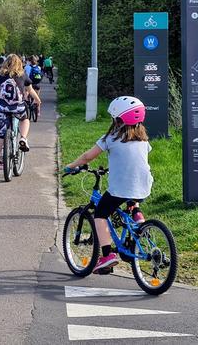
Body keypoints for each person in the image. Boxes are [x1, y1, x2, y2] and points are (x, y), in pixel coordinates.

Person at [64, 96, 151, 273]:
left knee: (100, 214)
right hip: (143, 184)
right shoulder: (144, 140)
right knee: (132, 200)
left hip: (121, 187)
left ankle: (106, 256)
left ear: (117, 119)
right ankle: (139, 221)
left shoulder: (110, 138)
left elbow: (88, 157)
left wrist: (71, 166)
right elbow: (133, 161)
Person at [0, 54, 41, 168]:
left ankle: (1, 160)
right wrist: (38, 100)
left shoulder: (0, 76)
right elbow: (30, 90)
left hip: (2, 108)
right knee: (25, 119)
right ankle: (23, 138)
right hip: (17, 107)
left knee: (1, 135)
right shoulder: (22, 75)